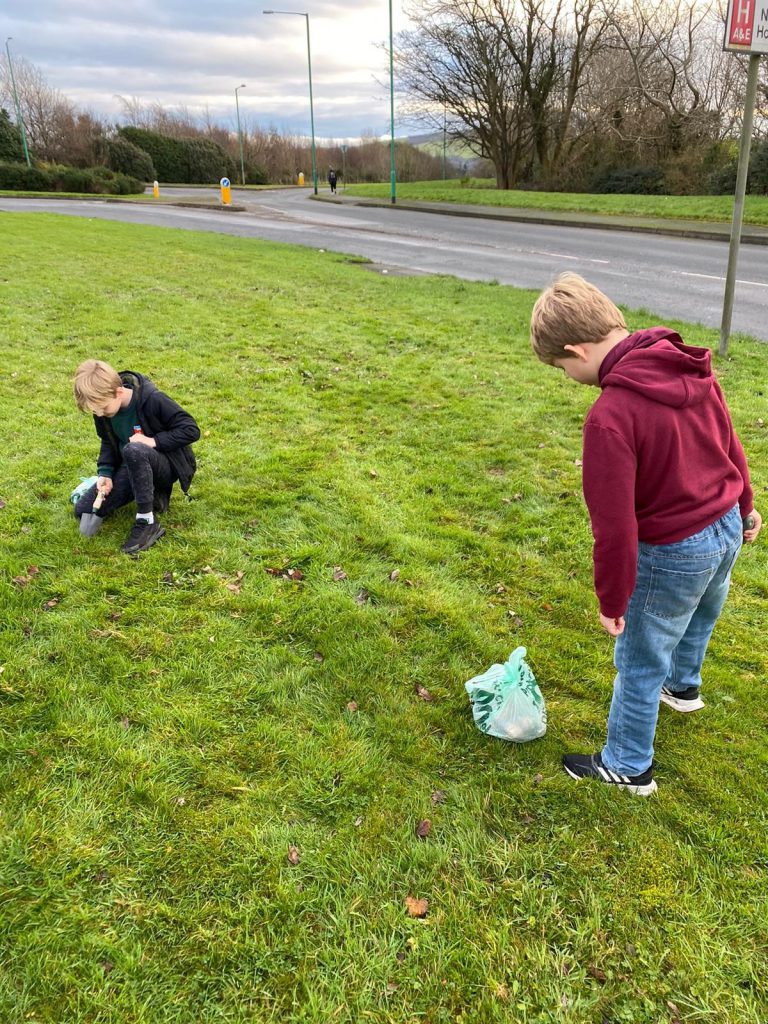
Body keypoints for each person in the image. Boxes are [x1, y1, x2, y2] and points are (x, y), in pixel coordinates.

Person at [530, 273, 761, 796]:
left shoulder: (610, 418)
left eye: (562, 367)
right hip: (724, 527)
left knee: (639, 658)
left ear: (576, 349)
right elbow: (729, 442)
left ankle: (628, 764)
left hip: (675, 551)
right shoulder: (688, 365)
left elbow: (614, 529)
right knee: (700, 614)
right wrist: (745, 505)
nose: (567, 375)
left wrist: (613, 599)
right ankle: (683, 688)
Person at [73, 360, 200, 554]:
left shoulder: (152, 400)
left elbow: (190, 429)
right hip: (131, 464)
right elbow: (108, 441)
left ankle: (146, 520)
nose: (100, 414)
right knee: (83, 510)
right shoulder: (102, 409)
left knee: (135, 449)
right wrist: (105, 473)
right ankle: (150, 493)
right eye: (96, 411)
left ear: (119, 392)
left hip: (164, 464)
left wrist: (153, 441)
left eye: (104, 409)